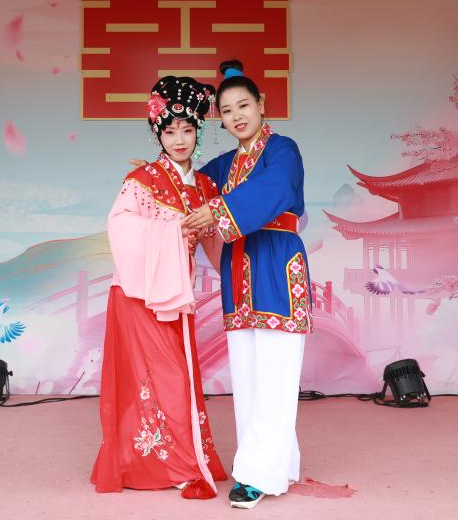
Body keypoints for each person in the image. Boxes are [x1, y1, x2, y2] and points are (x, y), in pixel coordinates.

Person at [91, 75, 228, 499]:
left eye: (187, 130)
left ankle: (175, 458)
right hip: (138, 295)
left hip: (176, 294)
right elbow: (119, 227)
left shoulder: (205, 186)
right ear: (158, 134)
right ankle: (173, 464)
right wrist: (172, 230)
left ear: (198, 131)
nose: (179, 140)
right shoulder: (142, 179)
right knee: (158, 378)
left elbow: (217, 244)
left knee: (176, 377)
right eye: (170, 132)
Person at [184, 60, 313, 510]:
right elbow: (193, 186)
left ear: (261, 104)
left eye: (243, 105)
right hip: (239, 269)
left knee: (276, 376)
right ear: (219, 119)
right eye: (226, 110)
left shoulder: (283, 150)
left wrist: (219, 211)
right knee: (249, 377)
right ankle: (279, 464)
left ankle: (255, 475)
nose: (236, 115)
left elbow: (277, 188)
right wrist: (159, 175)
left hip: (276, 263)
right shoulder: (224, 165)